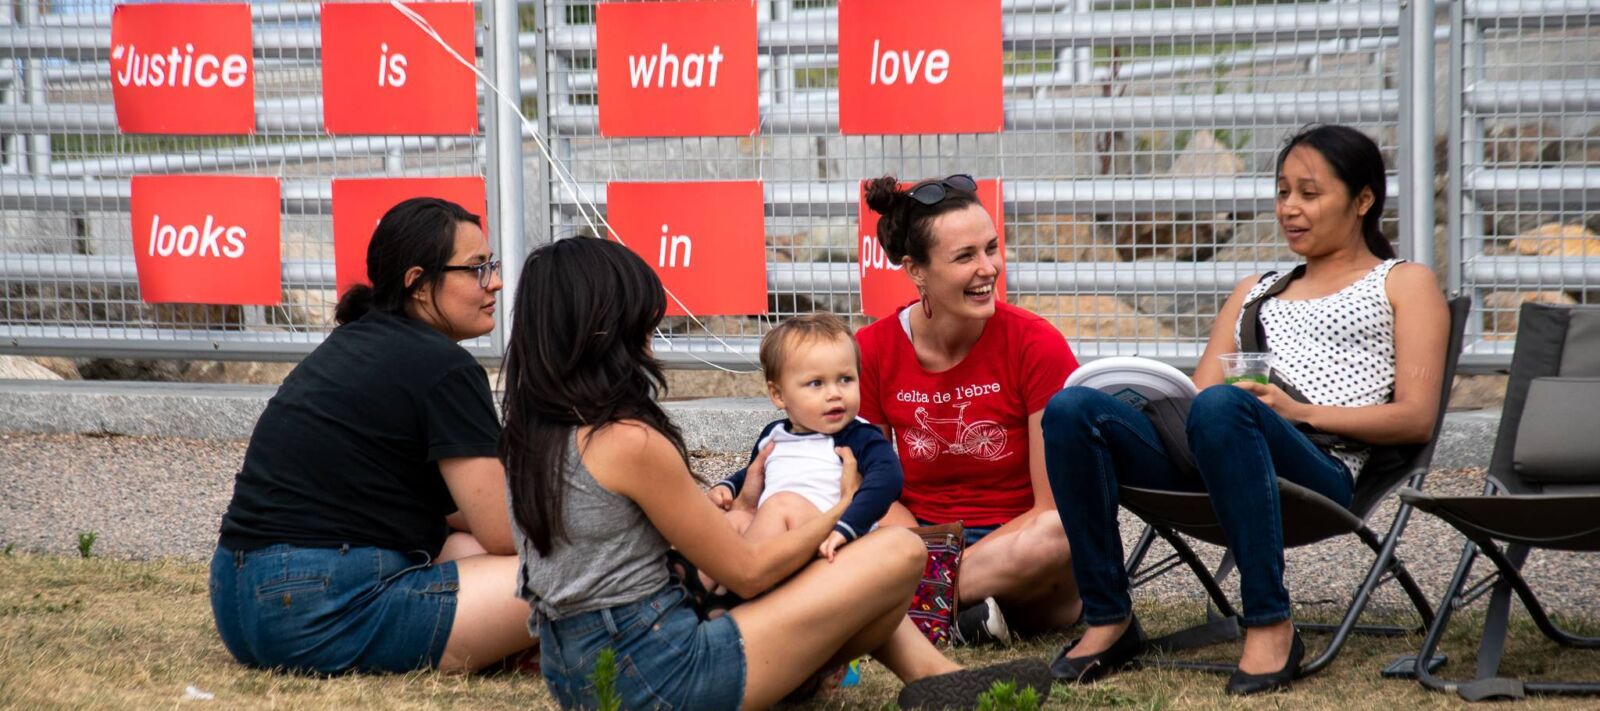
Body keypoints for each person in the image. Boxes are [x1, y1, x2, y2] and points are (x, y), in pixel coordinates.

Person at [499, 236, 1050, 711]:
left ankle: (934, 679)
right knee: (898, 551)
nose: (653, 334)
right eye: (644, 320)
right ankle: (918, 676)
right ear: (607, 330)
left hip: (577, 671)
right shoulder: (627, 440)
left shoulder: (531, 435)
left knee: (828, 560)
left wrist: (741, 508)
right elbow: (748, 573)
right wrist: (843, 507)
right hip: (661, 673)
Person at [1041, 124, 1449, 694]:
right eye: (1283, 192)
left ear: (1362, 200)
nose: (1290, 208)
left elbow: (1415, 418)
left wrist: (1298, 413)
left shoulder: (1403, 283)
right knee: (1070, 409)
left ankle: (1270, 622)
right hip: (1219, 453)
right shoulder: (1257, 290)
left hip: (1319, 469)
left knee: (1227, 406)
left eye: (1309, 193)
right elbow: (1199, 399)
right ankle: (1109, 618)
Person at [209, 197, 536, 674]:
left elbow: (459, 516)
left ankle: (515, 645)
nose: (496, 282)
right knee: (573, 572)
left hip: (237, 605)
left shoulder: (350, 344)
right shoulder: (444, 368)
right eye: (476, 269)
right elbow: (505, 532)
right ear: (418, 284)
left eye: (492, 265)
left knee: (467, 548)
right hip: (317, 607)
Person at [857, 174, 1083, 645]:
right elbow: (874, 487)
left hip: (1019, 545)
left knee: (1062, 532)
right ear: (915, 270)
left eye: (991, 248)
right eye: (965, 257)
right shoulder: (871, 349)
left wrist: (936, 568)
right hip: (920, 541)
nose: (989, 268)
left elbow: (1052, 506)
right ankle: (961, 618)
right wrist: (919, 551)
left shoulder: (1036, 343)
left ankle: (895, 610)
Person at [708, 312, 902, 564]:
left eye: (845, 379)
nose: (834, 393)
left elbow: (889, 478)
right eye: (816, 383)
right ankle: (698, 595)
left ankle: (740, 588)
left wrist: (848, 526)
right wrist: (728, 487)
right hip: (780, 539)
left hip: (830, 543)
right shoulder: (773, 435)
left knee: (781, 505)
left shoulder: (859, 436)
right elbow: (755, 473)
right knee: (733, 521)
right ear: (778, 395)